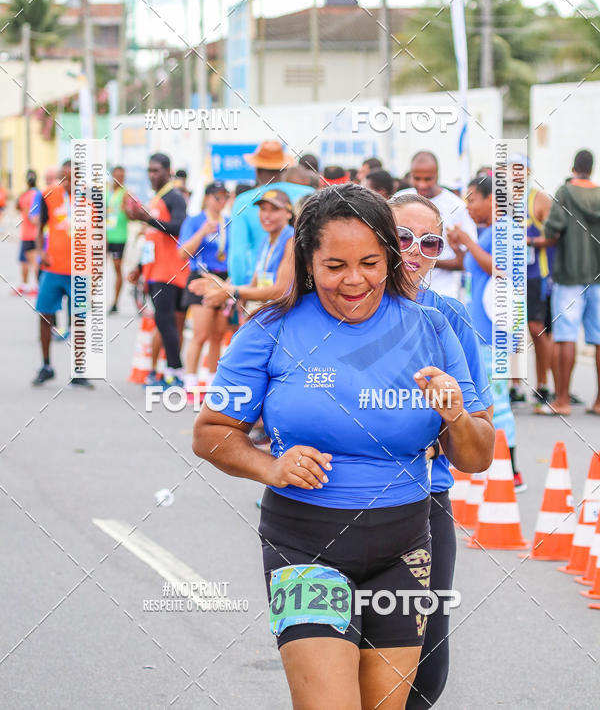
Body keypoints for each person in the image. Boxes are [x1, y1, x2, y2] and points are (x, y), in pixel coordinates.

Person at [193, 184, 494, 710]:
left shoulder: (435, 326)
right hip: (304, 545)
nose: (354, 280)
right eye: (334, 266)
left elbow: (477, 456)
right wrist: (270, 464)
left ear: (389, 259)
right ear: (308, 262)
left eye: (370, 263)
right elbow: (211, 432)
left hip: (405, 547)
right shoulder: (270, 328)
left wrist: (456, 416)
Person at [390, 192, 493, 709]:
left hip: (426, 505)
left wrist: (452, 419)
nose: (413, 251)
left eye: (428, 242)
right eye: (401, 237)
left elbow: (480, 438)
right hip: (332, 507)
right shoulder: (332, 308)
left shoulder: (448, 317)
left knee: (425, 675)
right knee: (338, 665)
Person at [448, 175, 524, 490]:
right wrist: (460, 246)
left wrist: (467, 242)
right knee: (487, 398)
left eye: (473, 199)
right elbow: (471, 267)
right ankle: (497, 468)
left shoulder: (504, 229)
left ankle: (511, 471)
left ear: (492, 200)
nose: (469, 206)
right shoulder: (490, 231)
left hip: (493, 331)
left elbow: (499, 268)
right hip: (483, 330)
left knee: (497, 401)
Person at [544, 149, 600, 415]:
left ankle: (563, 400)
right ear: (591, 167)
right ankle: (599, 402)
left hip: (569, 275)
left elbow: (553, 231)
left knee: (566, 336)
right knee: (599, 338)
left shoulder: (565, 192)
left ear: (573, 165)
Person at [126, 154, 188, 389]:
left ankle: (175, 372)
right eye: (149, 171)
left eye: (157, 171)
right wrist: (140, 268)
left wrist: (148, 219)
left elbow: (179, 227)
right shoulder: (158, 198)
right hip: (155, 271)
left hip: (170, 272)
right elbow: (152, 239)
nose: (152, 175)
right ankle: (167, 372)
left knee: (166, 322)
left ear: (168, 171)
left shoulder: (175, 197)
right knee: (164, 324)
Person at [32, 160, 92, 388]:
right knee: (44, 314)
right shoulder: (49, 195)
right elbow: (39, 227)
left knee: (78, 320)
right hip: (53, 268)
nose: (68, 183)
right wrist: (40, 252)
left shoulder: (91, 200)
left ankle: (79, 370)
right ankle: (46, 365)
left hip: (79, 270)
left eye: (73, 178)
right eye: (64, 178)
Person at [191, 188, 295, 319]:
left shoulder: (291, 240)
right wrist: (220, 286)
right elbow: (254, 286)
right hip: (268, 312)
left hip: (284, 317)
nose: (267, 215)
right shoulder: (266, 241)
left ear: (288, 213)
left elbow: (280, 291)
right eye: (263, 209)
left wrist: (233, 292)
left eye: (274, 210)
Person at [227, 141, 313, 286]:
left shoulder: (243, 202)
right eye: (264, 209)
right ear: (284, 170)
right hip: (303, 285)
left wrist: (239, 290)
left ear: (257, 171)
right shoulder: (309, 194)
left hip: (261, 289)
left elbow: (237, 256)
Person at [394, 151, 478, 300]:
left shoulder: (457, 207)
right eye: (417, 178)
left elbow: (467, 261)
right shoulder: (399, 200)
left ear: (437, 175)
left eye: (428, 179)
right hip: (401, 293)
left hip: (442, 293)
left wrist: (425, 260)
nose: (422, 184)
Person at [510, 156, 558, 413]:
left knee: (537, 329)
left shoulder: (539, 199)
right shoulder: (501, 201)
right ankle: (515, 386)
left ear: (528, 171)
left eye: (519, 169)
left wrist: (528, 241)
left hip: (535, 275)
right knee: (512, 330)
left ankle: (542, 385)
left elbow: (554, 235)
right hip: (509, 275)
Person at [178, 182, 230, 395]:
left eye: (224, 197)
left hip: (223, 279)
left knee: (218, 334)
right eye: (217, 197)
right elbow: (183, 253)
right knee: (201, 333)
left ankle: (212, 382)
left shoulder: (228, 222)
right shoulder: (195, 220)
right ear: (207, 198)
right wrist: (201, 232)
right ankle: (190, 382)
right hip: (201, 277)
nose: (221, 201)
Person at [106, 166, 129, 313]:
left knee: (117, 268)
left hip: (119, 237)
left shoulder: (126, 194)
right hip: (103, 236)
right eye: (117, 176)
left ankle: (115, 302)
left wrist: (127, 209)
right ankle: (91, 300)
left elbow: (134, 213)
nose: (119, 179)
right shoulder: (106, 192)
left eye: (122, 176)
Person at [16, 170, 40, 295]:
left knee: (30, 261)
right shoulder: (38, 193)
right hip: (32, 233)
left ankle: (34, 286)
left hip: (28, 233)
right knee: (27, 261)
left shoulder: (24, 195)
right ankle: (27, 286)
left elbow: (19, 207)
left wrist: (27, 211)